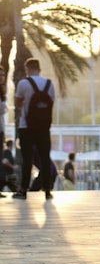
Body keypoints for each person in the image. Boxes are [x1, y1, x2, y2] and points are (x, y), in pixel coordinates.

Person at [13, 58, 56, 201]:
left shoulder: (24, 83)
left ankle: (23, 189)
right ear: (39, 68)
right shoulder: (50, 84)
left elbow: (18, 104)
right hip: (44, 127)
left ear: (27, 69)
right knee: (44, 158)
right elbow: (51, 103)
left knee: (27, 159)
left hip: (27, 126)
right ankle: (47, 190)